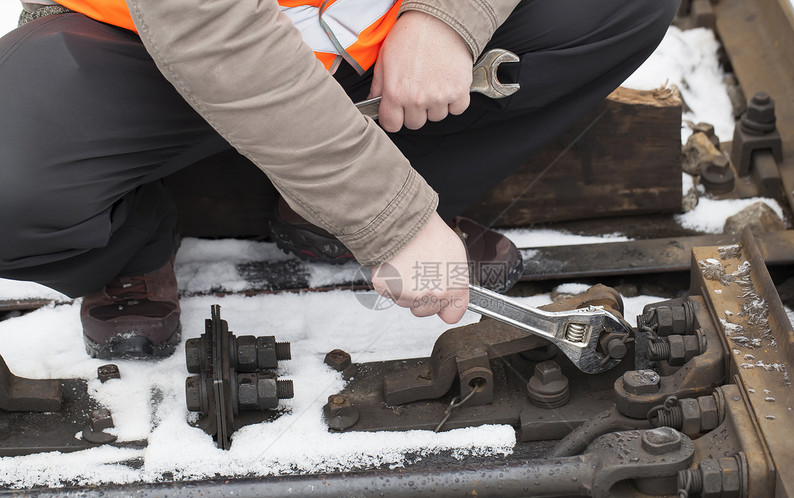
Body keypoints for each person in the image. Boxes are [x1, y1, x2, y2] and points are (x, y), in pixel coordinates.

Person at [0, 0, 680, 359]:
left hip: (365, 35)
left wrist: (446, 18)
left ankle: (328, 206)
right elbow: (208, 27)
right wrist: (393, 219)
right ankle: (134, 240)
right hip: (143, 44)